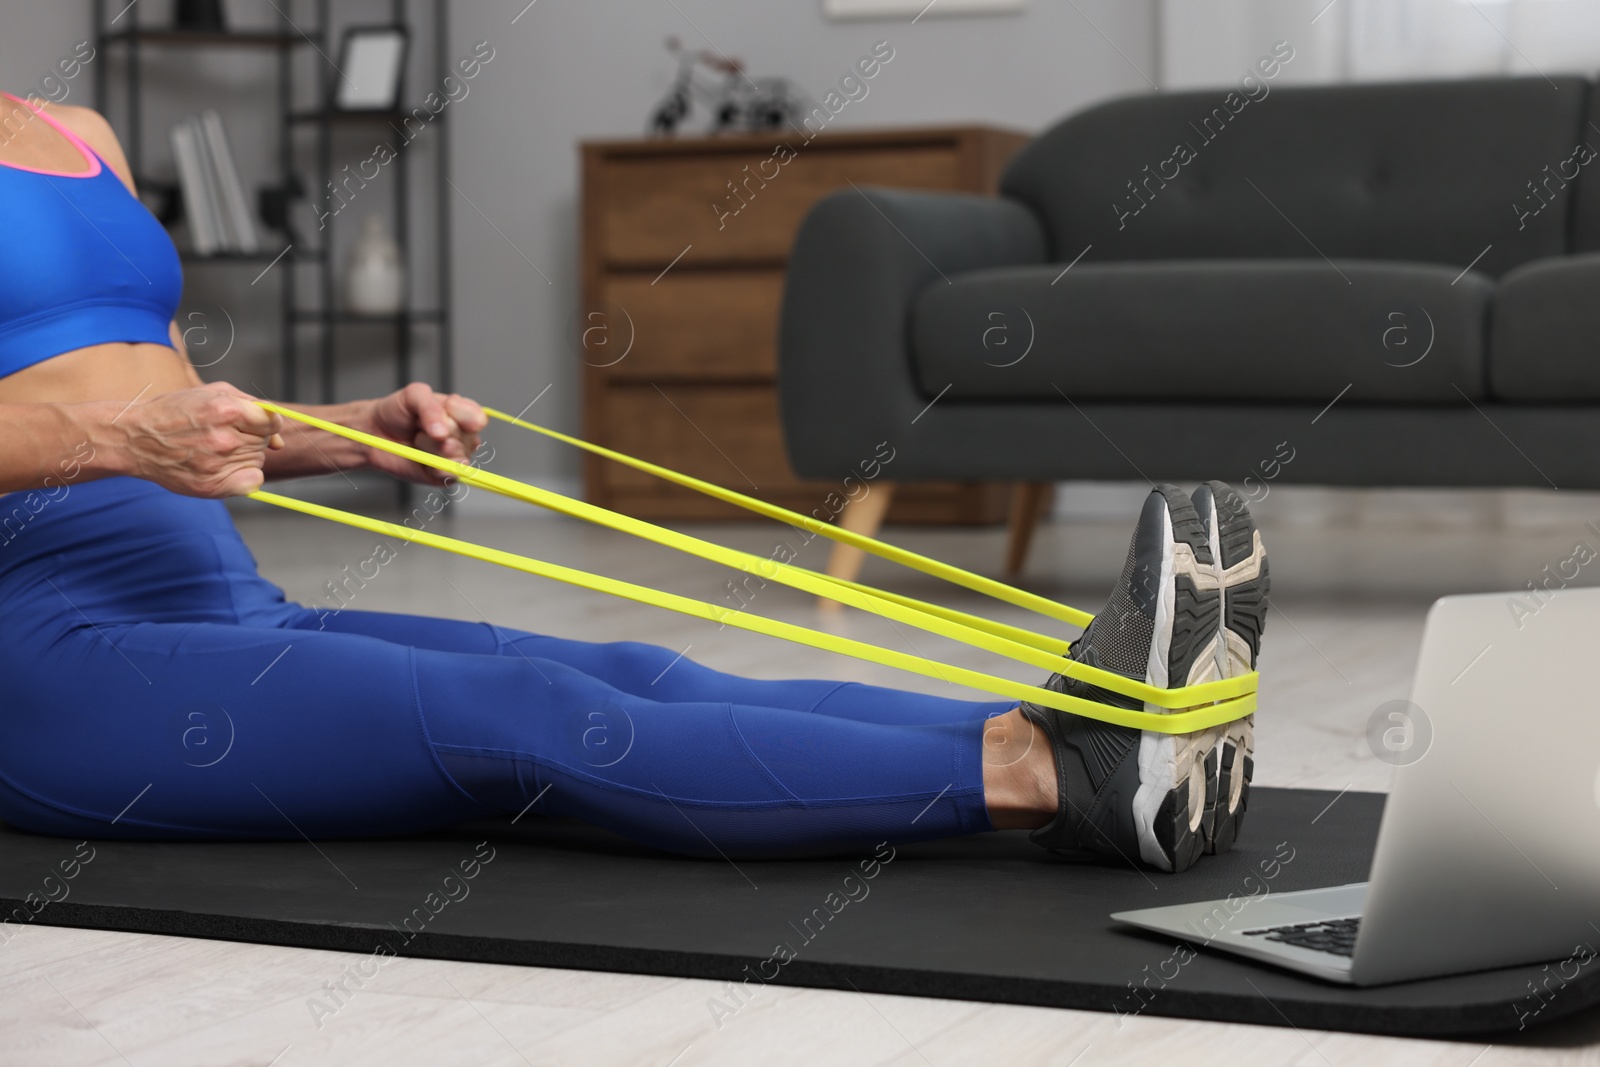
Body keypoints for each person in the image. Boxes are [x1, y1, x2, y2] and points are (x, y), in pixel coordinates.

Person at [0, 89, 1268, 874]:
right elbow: (117, 427)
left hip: (221, 606)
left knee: (634, 669)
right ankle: (1051, 784)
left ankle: (1099, 725)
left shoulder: (76, 131)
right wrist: (120, 444)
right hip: (48, 657)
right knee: (534, 714)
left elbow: (151, 397)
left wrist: (344, 432)